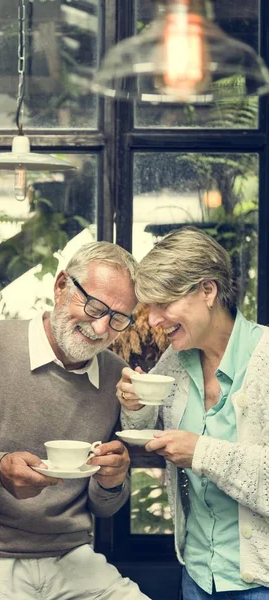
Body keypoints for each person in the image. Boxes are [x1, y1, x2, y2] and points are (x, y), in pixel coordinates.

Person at [0, 241, 150, 600]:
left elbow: (103, 506)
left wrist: (112, 481)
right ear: (61, 286)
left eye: (117, 319)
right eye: (94, 306)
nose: (100, 328)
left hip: (71, 558)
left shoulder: (115, 375)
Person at [117, 226, 269, 600]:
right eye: (148, 306)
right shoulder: (175, 361)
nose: (152, 320)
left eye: (163, 304)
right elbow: (147, 429)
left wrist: (201, 452)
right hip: (198, 575)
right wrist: (135, 405)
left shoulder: (265, 358)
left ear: (207, 290)